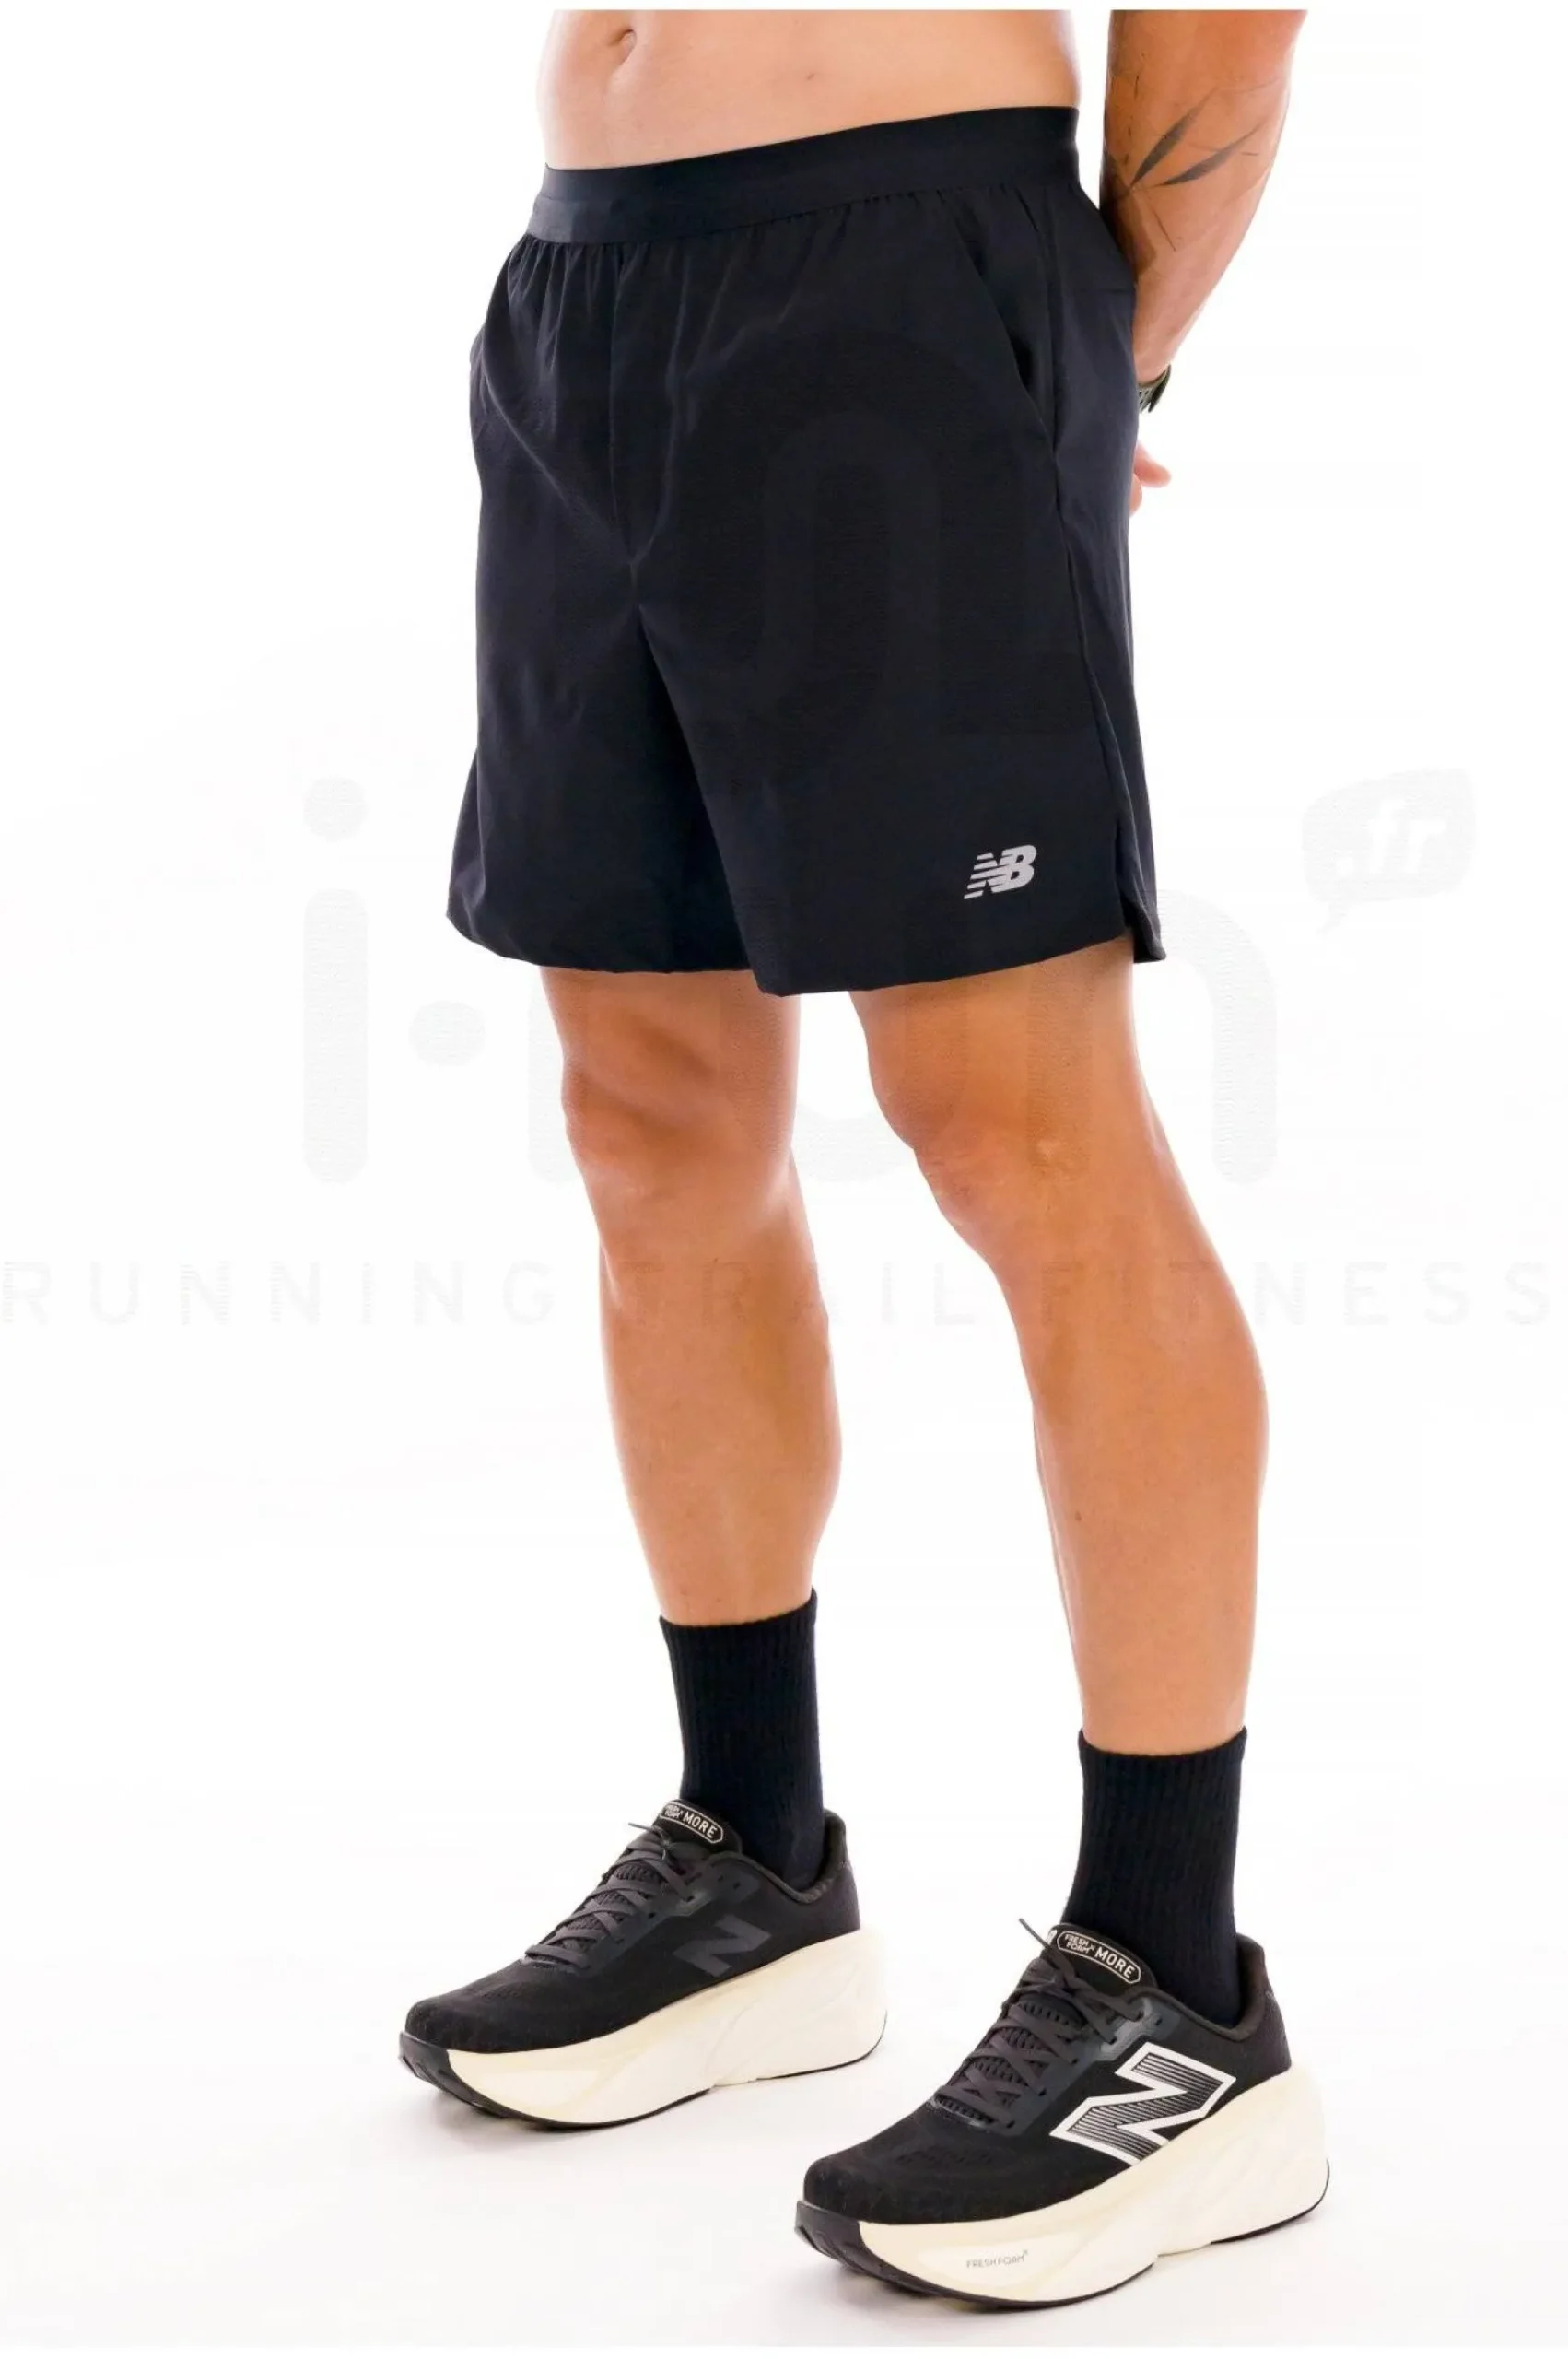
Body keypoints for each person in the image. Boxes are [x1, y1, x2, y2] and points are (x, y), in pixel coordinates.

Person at [402, 7, 1324, 2309]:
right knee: (648, 1119)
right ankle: (755, 1865)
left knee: (1017, 1130)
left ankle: (1175, 1986)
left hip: (902, 271)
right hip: (589, 290)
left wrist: (1097, 357)